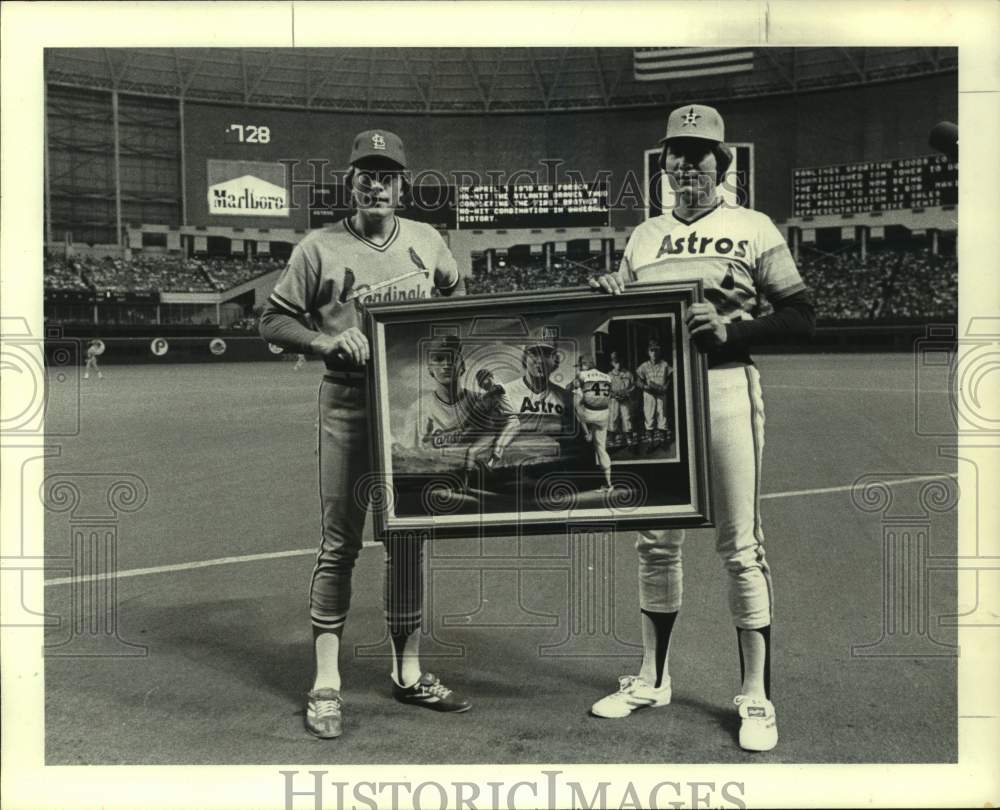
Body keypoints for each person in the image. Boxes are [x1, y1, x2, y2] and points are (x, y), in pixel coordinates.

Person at [588, 104, 815, 752]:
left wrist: (732, 330)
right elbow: (620, 329)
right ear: (664, 167)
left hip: (722, 387)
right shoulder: (642, 237)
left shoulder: (751, 226)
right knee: (655, 542)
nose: (687, 167)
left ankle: (755, 694)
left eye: (699, 156)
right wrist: (610, 294)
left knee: (741, 547)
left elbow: (802, 315)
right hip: (656, 400)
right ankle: (653, 677)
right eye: (676, 157)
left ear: (722, 164)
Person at [259, 129, 470, 740]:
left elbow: (456, 296)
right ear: (350, 183)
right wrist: (327, 340)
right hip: (350, 402)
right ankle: (326, 681)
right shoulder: (318, 247)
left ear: (402, 186)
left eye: (387, 175)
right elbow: (272, 318)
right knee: (341, 541)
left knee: (407, 538)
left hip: (415, 410)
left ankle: (409, 671)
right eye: (365, 174)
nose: (375, 184)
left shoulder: (429, 241)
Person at [571, 356, 614, 491]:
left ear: (584, 365)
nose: (579, 367)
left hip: (588, 414)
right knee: (601, 448)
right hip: (604, 414)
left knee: (575, 402)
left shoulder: (582, 375)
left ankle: (587, 433)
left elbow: (577, 406)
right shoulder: (607, 376)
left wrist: (587, 432)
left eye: (580, 365)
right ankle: (608, 484)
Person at [635, 340, 672, 451]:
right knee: (649, 416)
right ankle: (650, 443)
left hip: (661, 392)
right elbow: (638, 381)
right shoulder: (644, 366)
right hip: (649, 394)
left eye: (656, 350)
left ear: (659, 351)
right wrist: (644, 386)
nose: (654, 353)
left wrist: (666, 386)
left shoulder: (665, 364)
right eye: (652, 350)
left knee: (662, 415)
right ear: (648, 352)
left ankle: (663, 442)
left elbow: (669, 378)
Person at [607, 350, 637, 450]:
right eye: (615, 362)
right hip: (614, 400)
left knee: (627, 417)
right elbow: (606, 389)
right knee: (613, 418)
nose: (618, 364)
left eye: (619, 361)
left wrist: (627, 393)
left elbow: (633, 386)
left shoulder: (628, 374)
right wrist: (613, 394)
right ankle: (611, 438)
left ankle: (629, 438)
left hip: (625, 399)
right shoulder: (609, 375)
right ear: (612, 363)